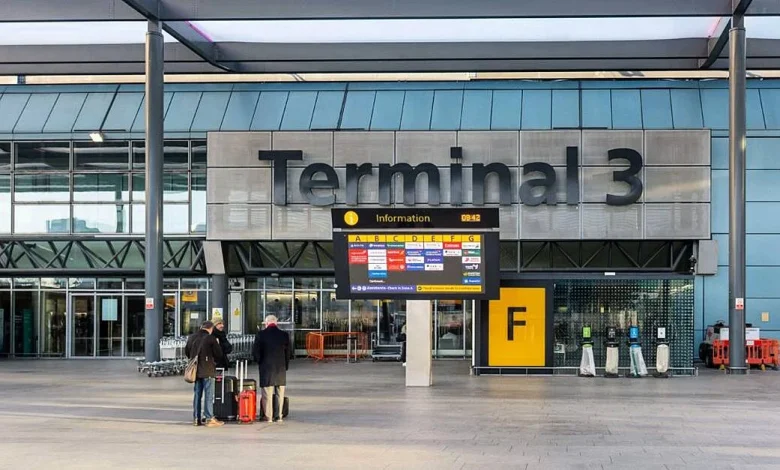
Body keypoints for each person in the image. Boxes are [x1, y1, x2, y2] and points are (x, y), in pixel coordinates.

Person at [185, 320, 224, 427]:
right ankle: (209, 418)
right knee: (208, 395)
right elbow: (219, 354)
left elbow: (187, 352)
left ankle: (196, 418)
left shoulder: (192, 337)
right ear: (210, 328)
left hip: (195, 370)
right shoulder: (211, 338)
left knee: (197, 394)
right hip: (208, 370)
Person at [252, 315, 290, 423]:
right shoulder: (284, 335)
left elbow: (256, 352)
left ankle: (268, 416)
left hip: (266, 367)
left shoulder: (261, 335)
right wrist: (285, 366)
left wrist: (259, 362)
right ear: (276, 323)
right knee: (280, 393)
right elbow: (288, 353)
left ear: (266, 323)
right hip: (280, 368)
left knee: (267, 394)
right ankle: (279, 416)